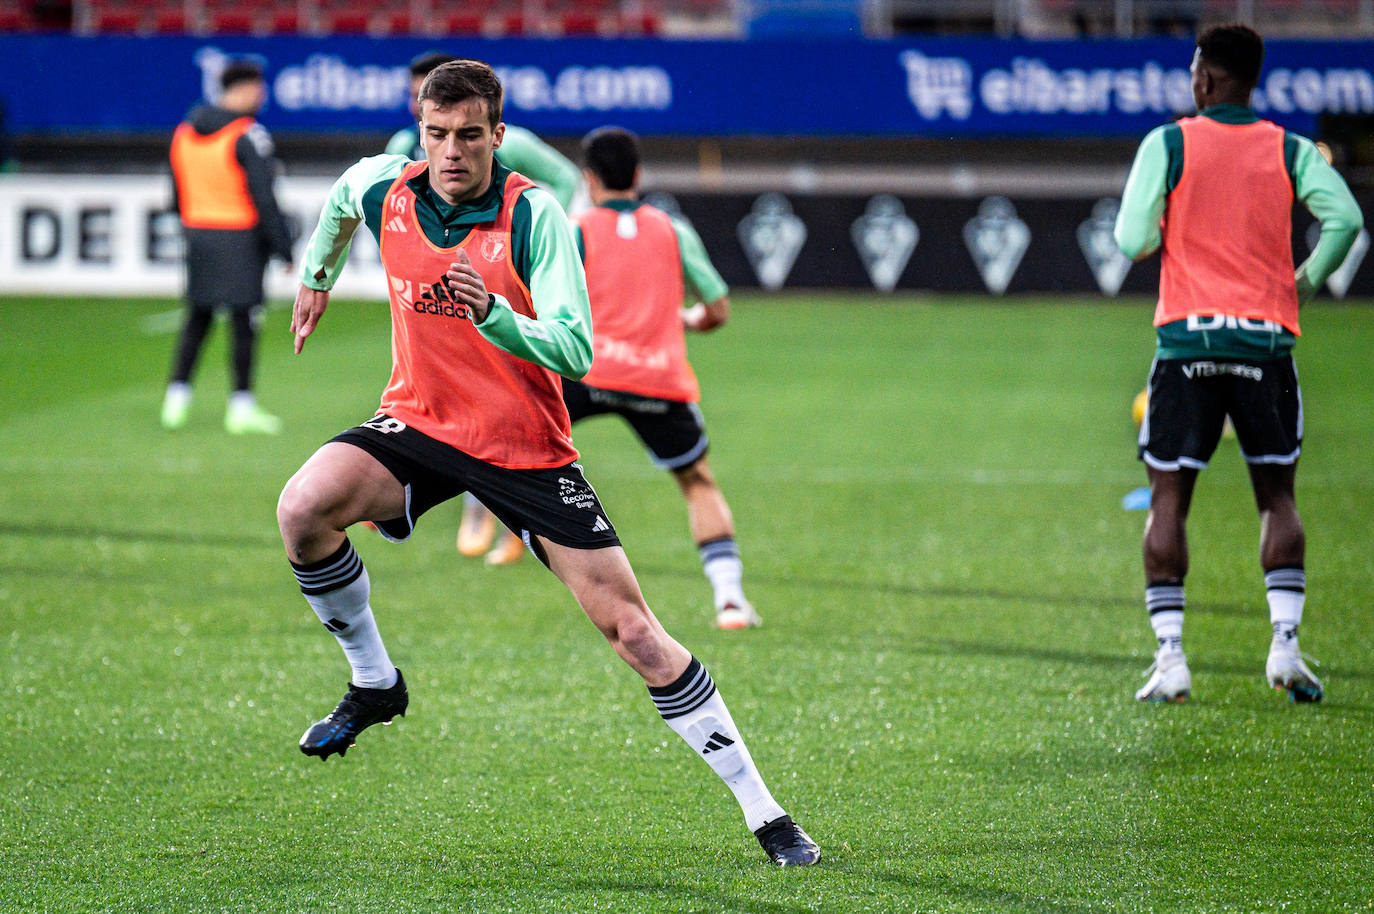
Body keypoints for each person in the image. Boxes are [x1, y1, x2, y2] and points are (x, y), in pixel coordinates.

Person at [278, 60, 819, 866]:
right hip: (421, 422)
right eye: (437, 134)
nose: (451, 151)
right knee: (302, 509)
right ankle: (375, 684)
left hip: (524, 448)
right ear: (418, 130)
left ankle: (768, 815)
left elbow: (574, 345)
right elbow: (339, 201)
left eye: (469, 136)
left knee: (633, 632)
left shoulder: (537, 220)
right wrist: (317, 277)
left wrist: (493, 313)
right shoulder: (384, 185)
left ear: (499, 135)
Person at [1114, 24, 1362, 704]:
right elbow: (1344, 220)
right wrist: (1300, 284)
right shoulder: (1289, 148)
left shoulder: (1168, 143)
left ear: (1203, 79)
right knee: (1277, 497)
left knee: (1169, 500)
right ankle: (1284, 647)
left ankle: (1171, 658)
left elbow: (1132, 239)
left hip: (1188, 344)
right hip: (1264, 344)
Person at [390, 50, 584, 565]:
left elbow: (565, 179)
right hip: (442, 300)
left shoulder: (514, 152)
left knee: (505, 401)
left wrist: (551, 235)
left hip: (507, 288)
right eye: (419, 99)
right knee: (459, 400)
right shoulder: (400, 150)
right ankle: (479, 513)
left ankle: (509, 523)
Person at [566, 126, 760, 630]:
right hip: (657, 380)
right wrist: (688, 319)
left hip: (588, 373)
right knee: (698, 482)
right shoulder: (673, 230)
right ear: (638, 175)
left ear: (590, 179)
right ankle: (731, 600)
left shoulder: (577, 228)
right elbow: (717, 308)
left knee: (502, 443)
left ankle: (399, 502)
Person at [163, 58, 294, 434]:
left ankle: (176, 401)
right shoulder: (247, 134)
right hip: (240, 236)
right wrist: (283, 247)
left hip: (198, 233)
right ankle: (241, 407)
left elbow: (174, 190)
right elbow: (264, 197)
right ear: (245, 89)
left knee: (197, 316)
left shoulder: (184, 132)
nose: (262, 95)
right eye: (258, 88)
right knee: (244, 322)